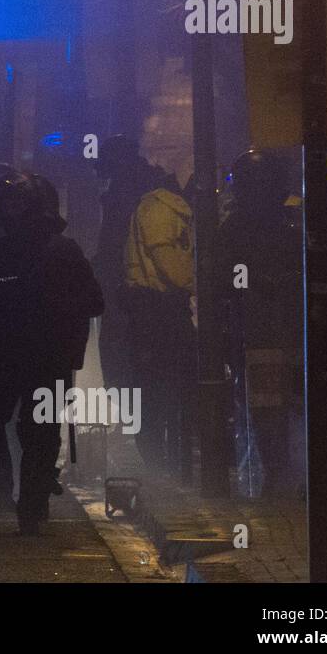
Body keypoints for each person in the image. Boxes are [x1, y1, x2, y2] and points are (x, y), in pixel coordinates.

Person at [0, 170, 103, 536]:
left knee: (21, 432)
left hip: (27, 360)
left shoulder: (15, 253)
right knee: (27, 432)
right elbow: (94, 302)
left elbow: (93, 302)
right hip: (34, 360)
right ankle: (22, 509)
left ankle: (6, 509)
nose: (10, 212)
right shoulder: (46, 250)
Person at [219, 149, 302, 498]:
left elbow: (221, 280)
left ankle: (275, 472)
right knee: (279, 405)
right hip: (281, 330)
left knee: (262, 406)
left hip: (254, 329)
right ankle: (281, 471)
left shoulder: (233, 229)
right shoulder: (290, 227)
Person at [123, 166, 195, 471]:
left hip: (153, 308)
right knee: (163, 383)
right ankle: (162, 458)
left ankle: (160, 455)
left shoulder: (156, 207)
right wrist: (196, 281)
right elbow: (172, 266)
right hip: (159, 307)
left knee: (154, 383)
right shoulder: (162, 209)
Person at [92, 136, 166, 393]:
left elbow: (114, 242)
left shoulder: (124, 191)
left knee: (120, 346)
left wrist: (102, 271)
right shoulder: (151, 185)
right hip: (149, 287)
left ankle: (132, 403)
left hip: (126, 284)